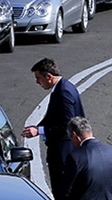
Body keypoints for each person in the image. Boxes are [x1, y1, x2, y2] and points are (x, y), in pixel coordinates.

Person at [22, 58, 86, 187]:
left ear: (49, 76)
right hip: (65, 151)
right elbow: (55, 117)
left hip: (64, 152)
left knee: (62, 190)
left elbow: (67, 126)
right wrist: (37, 127)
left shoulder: (63, 92)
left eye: (39, 78)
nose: (37, 82)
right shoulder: (63, 87)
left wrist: (39, 130)